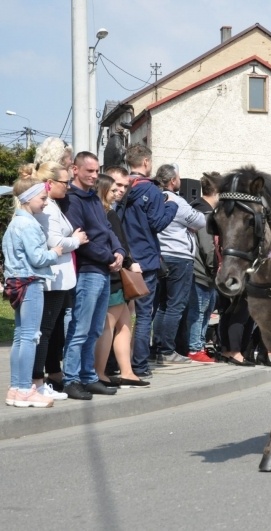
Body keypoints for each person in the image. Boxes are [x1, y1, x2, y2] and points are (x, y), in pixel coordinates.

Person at [58, 152, 125, 399]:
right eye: (90, 171)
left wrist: (119, 251)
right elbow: (82, 241)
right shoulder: (72, 200)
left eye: (97, 171)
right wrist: (109, 257)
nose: (95, 176)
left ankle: (88, 376)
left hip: (104, 271)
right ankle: (71, 379)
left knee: (96, 328)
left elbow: (107, 229)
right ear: (75, 169)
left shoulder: (94, 198)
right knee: (80, 328)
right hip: (88, 272)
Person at [118, 144, 178, 378]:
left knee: (119, 314)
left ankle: (116, 363)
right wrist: (171, 205)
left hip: (123, 256)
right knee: (144, 315)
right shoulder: (151, 190)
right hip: (145, 260)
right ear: (145, 163)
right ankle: (140, 365)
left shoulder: (122, 187)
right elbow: (157, 223)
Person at [28, 163, 87, 399]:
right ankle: (37, 381)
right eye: (65, 182)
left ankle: (47, 376)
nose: (69, 186)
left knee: (49, 330)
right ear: (50, 183)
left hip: (61, 277)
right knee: (45, 330)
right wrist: (76, 240)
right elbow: (54, 242)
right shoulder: (48, 209)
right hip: (53, 278)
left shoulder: (53, 205)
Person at [3, 176, 62, 408]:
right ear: (28, 199)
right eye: (42, 198)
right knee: (30, 336)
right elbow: (38, 258)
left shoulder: (15, 223)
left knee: (20, 336)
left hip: (17, 283)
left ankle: (17, 388)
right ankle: (25, 389)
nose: (45, 203)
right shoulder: (28, 224)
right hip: (30, 283)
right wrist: (55, 252)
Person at [92, 174, 149, 388]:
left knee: (124, 323)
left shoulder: (102, 214)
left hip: (114, 275)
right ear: (104, 191)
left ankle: (126, 371)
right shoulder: (109, 215)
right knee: (111, 325)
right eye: (113, 189)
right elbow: (120, 244)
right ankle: (100, 372)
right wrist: (129, 262)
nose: (118, 192)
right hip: (115, 276)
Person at [152, 164, 206, 364]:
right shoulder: (177, 201)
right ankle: (167, 350)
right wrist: (187, 226)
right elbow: (200, 221)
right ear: (173, 180)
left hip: (161, 256)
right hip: (179, 257)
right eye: (179, 178)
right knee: (175, 305)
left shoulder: (156, 198)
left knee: (163, 306)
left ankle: (157, 348)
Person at [184, 173, 220, 364]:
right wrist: (217, 268)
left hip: (202, 272)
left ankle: (198, 345)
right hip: (201, 272)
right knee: (199, 311)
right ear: (216, 192)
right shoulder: (205, 215)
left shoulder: (196, 209)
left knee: (205, 310)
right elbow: (208, 248)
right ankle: (195, 348)